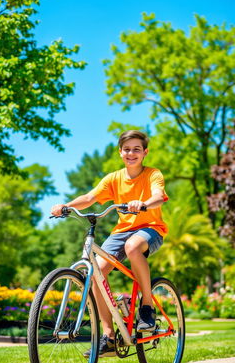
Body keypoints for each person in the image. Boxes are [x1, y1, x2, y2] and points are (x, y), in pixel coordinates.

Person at [51, 130, 168, 357]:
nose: (131, 153)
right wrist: (64, 206)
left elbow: (158, 196)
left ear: (145, 152)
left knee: (133, 247)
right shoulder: (113, 178)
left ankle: (146, 307)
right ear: (120, 152)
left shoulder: (153, 174)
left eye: (136, 149)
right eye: (127, 149)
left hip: (150, 229)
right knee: (96, 272)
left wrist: (143, 203)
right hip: (122, 231)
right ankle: (109, 337)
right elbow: (89, 198)